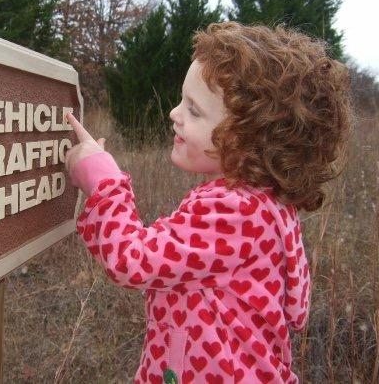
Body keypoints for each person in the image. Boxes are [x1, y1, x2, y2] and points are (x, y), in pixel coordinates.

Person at [63, 21, 353, 383]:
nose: (174, 114)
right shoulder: (268, 205)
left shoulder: (235, 212)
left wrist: (103, 181)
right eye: (183, 101)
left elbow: (132, 260)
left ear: (247, 139)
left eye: (194, 110)